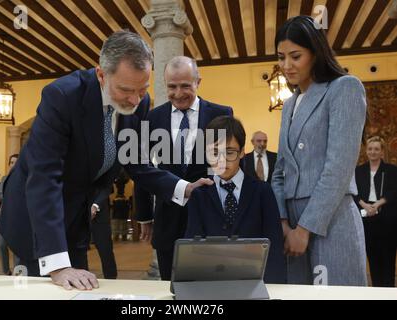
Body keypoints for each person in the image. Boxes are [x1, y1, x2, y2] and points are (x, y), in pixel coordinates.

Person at [0, 31, 211, 290]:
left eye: (142, 89)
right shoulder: (62, 96)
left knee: (79, 287)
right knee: (44, 289)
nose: (135, 99)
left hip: (76, 215)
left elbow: (137, 163)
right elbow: (45, 178)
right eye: (125, 90)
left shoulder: (139, 105)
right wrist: (57, 265)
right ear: (101, 74)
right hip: (33, 216)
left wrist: (183, 188)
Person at [271, 15, 368, 286]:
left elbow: (338, 167)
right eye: (281, 57)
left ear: (316, 53)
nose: (286, 66)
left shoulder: (344, 88)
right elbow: (279, 171)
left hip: (330, 219)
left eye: (295, 56)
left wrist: (305, 229)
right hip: (290, 223)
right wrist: (283, 223)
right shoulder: (289, 105)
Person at [135, 56, 233, 280]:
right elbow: (142, 168)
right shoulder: (152, 118)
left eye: (185, 86)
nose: (178, 93)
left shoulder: (221, 114)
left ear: (198, 81)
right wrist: (144, 216)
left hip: (211, 218)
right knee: (172, 286)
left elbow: (231, 167)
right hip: (167, 219)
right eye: (172, 86)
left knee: (210, 285)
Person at [185, 116, 286, 283]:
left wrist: (274, 287)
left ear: (241, 152)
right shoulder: (199, 195)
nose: (221, 160)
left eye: (229, 152)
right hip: (212, 282)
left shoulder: (262, 192)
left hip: (255, 280)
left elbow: (273, 245)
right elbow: (191, 247)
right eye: (214, 153)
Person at [354, 136, 397, 287]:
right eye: (370, 149)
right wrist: (365, 205)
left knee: (388, 259)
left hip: (387, 219)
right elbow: (353, 192)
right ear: (366, 151)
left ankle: (389, 292)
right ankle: (376, 291)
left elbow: (394, 191)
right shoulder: (358, 171)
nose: (373, 152)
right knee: (373, 258)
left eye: (376, 149)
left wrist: (378, 204)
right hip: (366, 218)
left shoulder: (391, 170)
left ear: (382, 152)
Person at [0, 154, 20, 275]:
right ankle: (6, 271)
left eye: (16, 162)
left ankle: (17, 272)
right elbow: (0, 195)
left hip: (17, 218)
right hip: (3, 218)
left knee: (16, 247)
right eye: (12, 162)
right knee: (1, 245)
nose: (13, 165)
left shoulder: (24, 179)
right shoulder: (4, 179)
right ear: (9, 164)